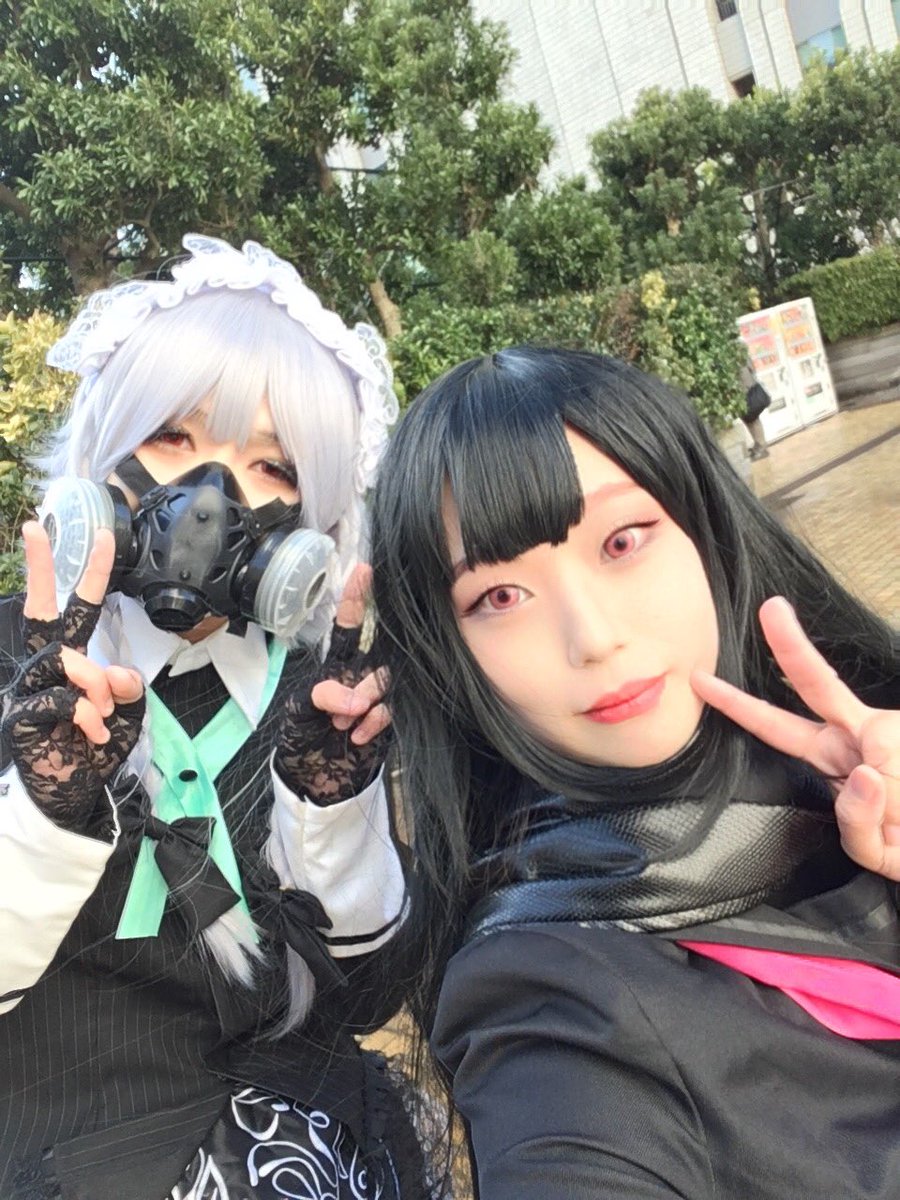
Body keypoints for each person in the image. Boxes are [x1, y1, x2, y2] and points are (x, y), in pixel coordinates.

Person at [369, 346, 900, 1200]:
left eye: (622, 541)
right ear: (452, 659)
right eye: (499, 597)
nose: (593, 636)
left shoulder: (870, 756)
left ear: (707, 525)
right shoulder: (549, 992)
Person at [0, 235, 423, 1200]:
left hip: (284, 1137)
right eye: (172, 438)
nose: (209, 503)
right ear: (105, 456)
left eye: (272, 465)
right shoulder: (14, 665)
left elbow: (368, 997)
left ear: (314, 517)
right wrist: (45, 809)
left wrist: (329, 808)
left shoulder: (324, 704)